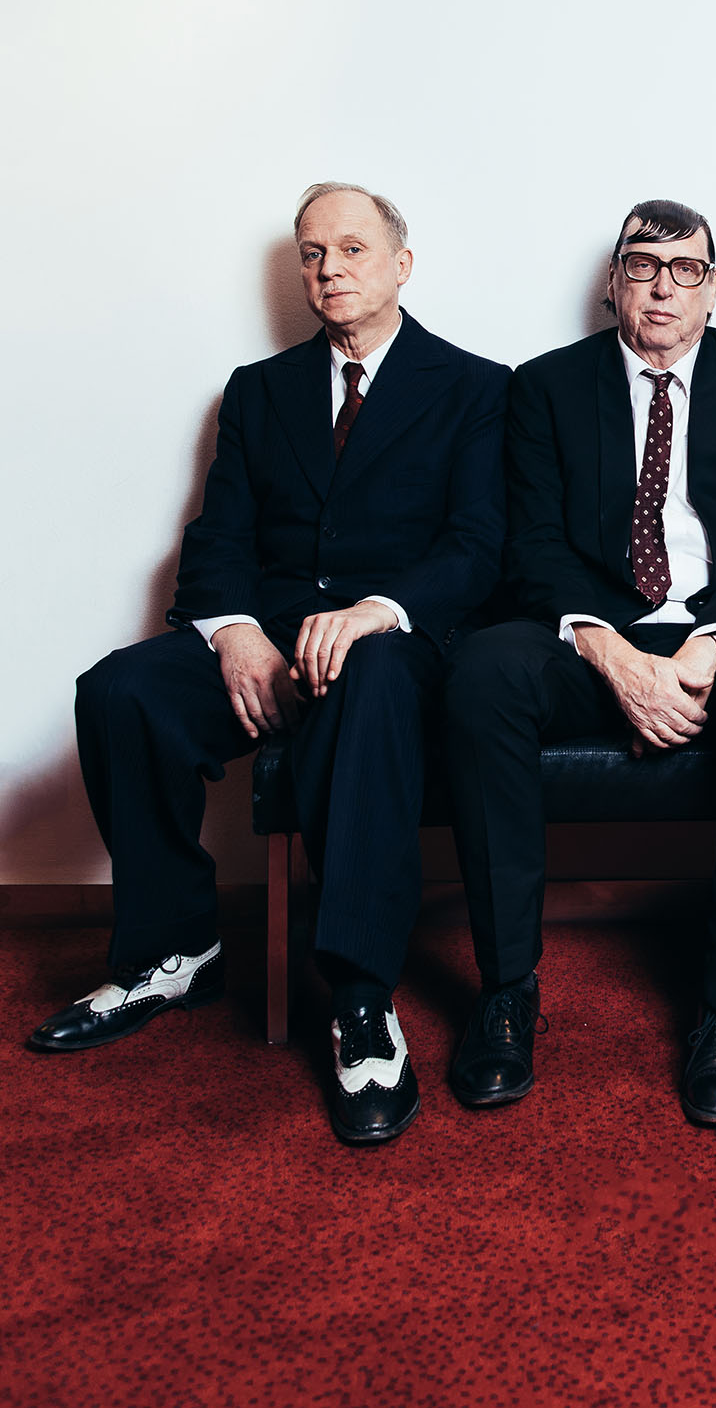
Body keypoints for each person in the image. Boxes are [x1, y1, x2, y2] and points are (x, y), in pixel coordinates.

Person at [27, 185, 510, 1150]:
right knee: (120, 690)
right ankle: (175, 951)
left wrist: (376, 612)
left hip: (390, 643)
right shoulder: (258, 389)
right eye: (311, 253)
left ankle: (362, 1000)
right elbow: (218, 537)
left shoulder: (475, 386)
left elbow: (477, 546)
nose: (329, 269)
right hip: (271, 636)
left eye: (351, 249)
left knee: (373, 680)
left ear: (402, 264)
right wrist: (234, 632)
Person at [443, 198, 716, 1124]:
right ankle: (505, 992)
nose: (663, 288)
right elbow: (531, 543)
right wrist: (612, 652)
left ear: (711, 286)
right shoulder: (545, 386)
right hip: (594, 636)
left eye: (684, 269)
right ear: (615, 281)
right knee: (484, 671)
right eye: (642, 267)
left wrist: (709, 642)